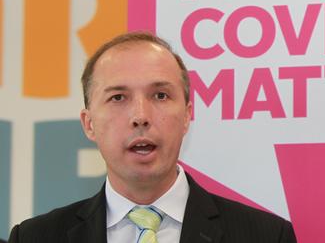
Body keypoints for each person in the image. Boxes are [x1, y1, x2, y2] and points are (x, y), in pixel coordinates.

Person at [9, 31, 297, 243]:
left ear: (186, 116)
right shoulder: (35, 237)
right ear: (89, 124)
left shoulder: (267, 236)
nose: (141, 116)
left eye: (160, 95)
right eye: (118, 97)